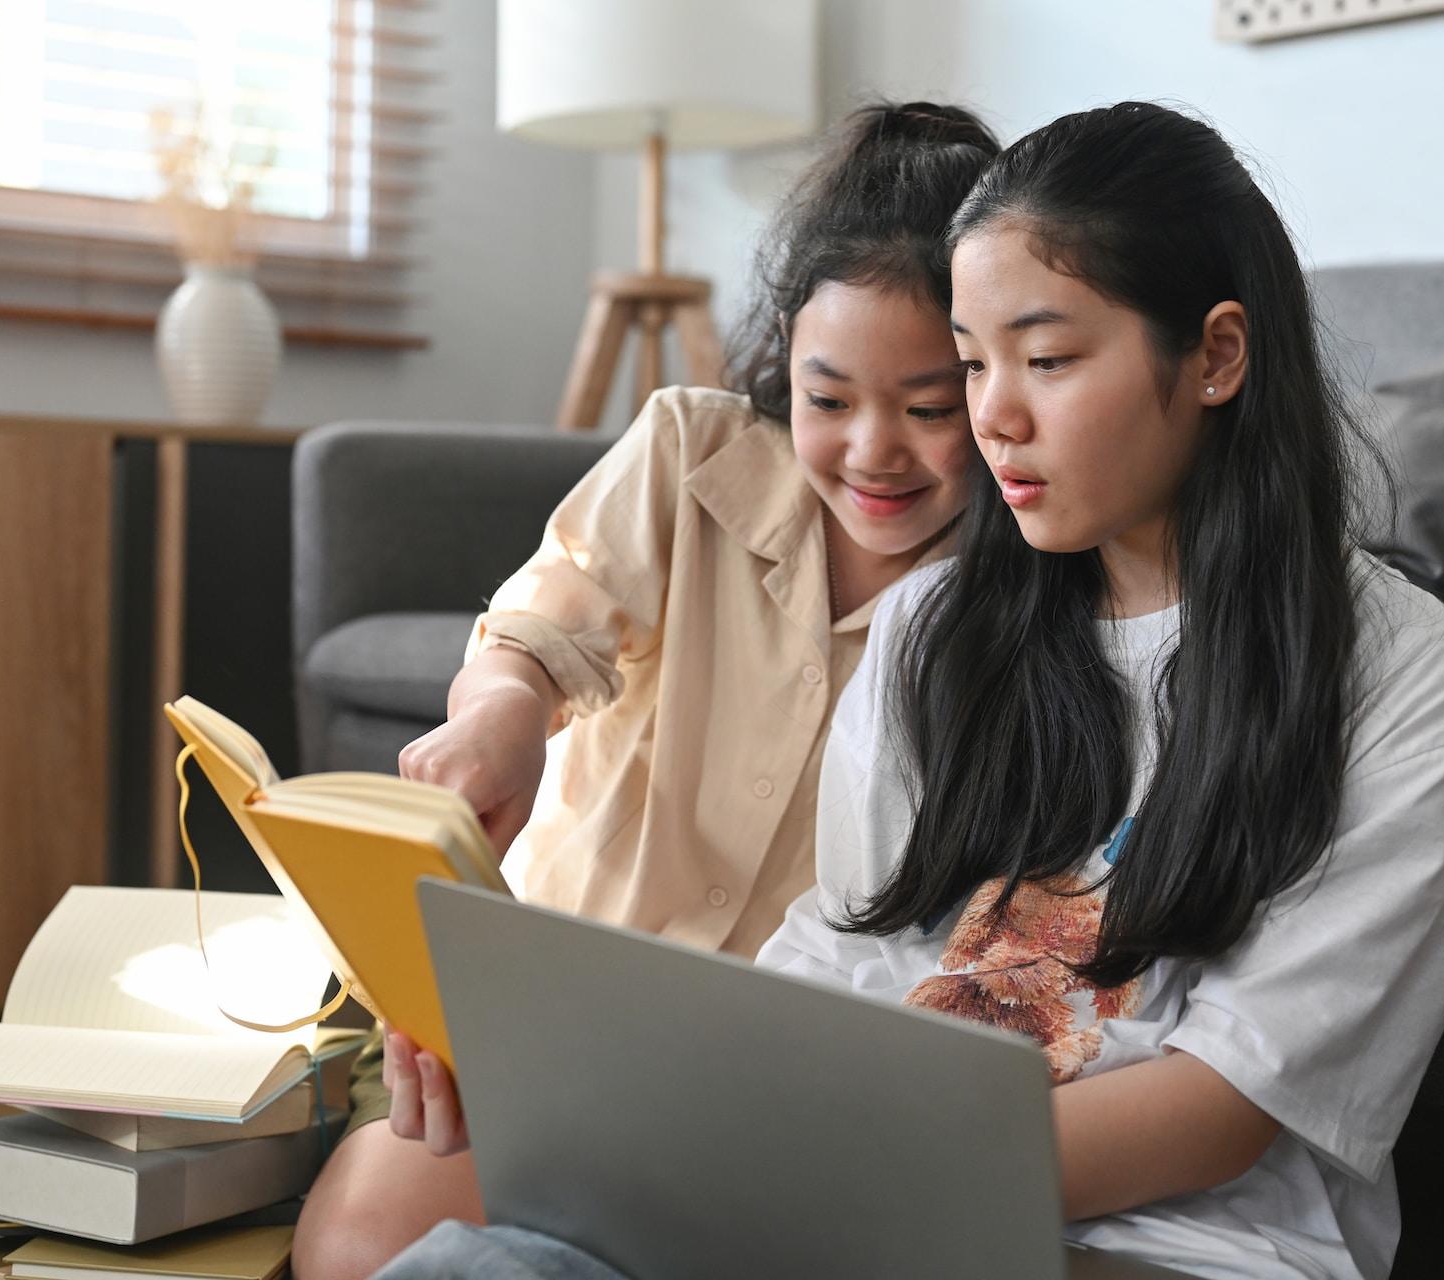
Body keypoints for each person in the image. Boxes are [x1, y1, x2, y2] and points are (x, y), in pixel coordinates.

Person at [373, 103, 1444, 1280]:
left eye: (1047, 359)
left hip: (1157, 1246)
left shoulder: (1408, 688)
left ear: (1218, 355)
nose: (995, 416)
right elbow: (843, 955)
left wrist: (800, 1165)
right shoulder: (940, 623)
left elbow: (1221, 1109)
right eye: (974, 364)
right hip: (845, 1201)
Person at [289, 101, 1002, 1280]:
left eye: (932, 409)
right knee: (356, 1240)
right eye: (830, 399)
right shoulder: (692, 450)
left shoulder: (1014, 585)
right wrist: (501, 709)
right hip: (553, 1031)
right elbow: (542, 621)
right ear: (785, 346)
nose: (875, 449)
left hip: (776, 1088)